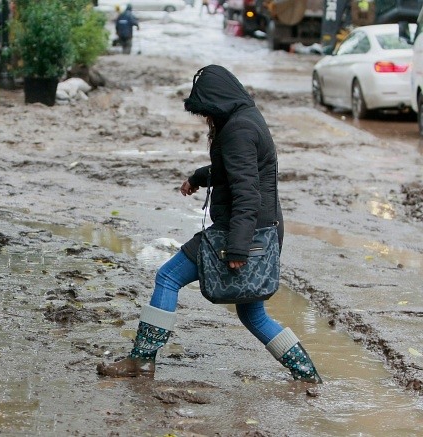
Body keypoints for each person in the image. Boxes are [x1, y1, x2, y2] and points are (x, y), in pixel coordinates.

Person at [96, 65, 322, 384]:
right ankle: (308, 375)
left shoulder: (238, 130)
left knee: (168, 277)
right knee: (252, 313)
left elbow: (247, 193)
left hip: (242, 232)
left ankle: (142, 361)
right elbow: (235, 170)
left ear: (216, 103)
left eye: (206, 111)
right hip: (262, 229)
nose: (205, 119)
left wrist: (238, 247)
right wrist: (199, 178)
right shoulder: (246, 118)